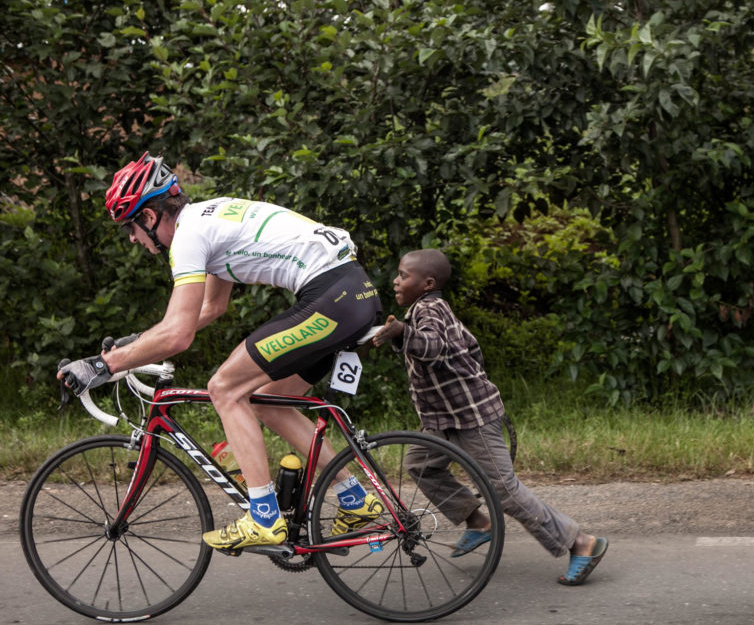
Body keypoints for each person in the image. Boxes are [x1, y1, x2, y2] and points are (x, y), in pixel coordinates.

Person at [57, 152, 384, 551]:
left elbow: (178, 335)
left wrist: (101, 365)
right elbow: (211, 309)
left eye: (131, 226)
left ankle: (264, 518)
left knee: (225, 388)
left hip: (333, 296)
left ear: (149, 216)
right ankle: (354, 499)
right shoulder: (206, 220)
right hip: (350, 294)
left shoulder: (189, 236)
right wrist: (135, 344)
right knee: (268, 400)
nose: (132, 238)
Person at [372, 248, 608, 585]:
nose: (395, 280)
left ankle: (582, 543)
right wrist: (398, 334)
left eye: (403, 275)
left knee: (504, 491)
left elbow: (433, 347)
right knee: (420, 464)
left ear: (427, 283)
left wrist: (401, 334)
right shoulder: (421, 308)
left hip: (472, 418)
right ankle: (477, 521)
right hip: (444, 419)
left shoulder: (430, 309)